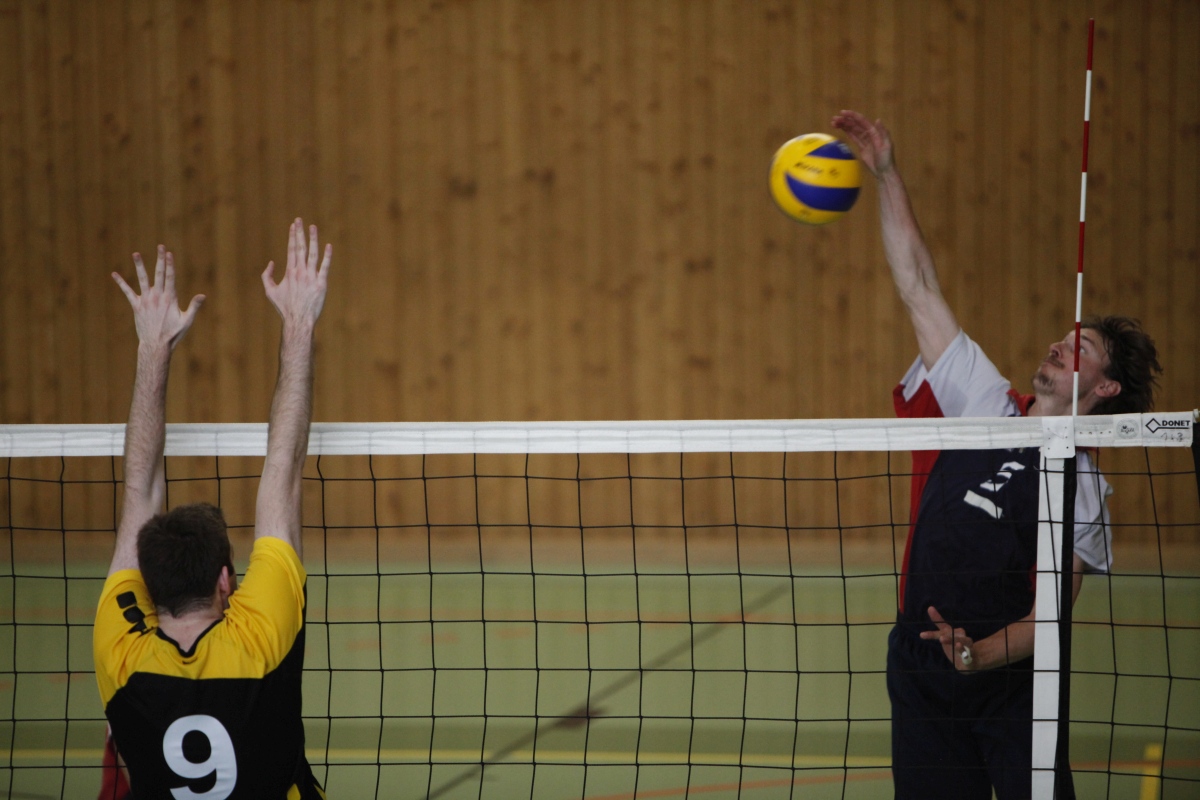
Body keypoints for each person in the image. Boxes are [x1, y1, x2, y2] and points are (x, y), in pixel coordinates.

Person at [831, 110, 1162, 799]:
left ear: (1104, 388)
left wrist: (977, 656)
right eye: (1064, 336)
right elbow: (918, 285)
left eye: (1081, 348)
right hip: (921, 667)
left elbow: (1051, 618)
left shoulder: (1082, 486)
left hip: (1010, 686)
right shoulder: (983, 398)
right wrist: (887, 173)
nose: (1059, 344)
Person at [93, 219, 332, 798]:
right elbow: (283, 467)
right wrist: (299, 323)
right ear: (226, 580)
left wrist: (152, 348)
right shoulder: (258, 640)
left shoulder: (122, 653)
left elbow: (139, 490)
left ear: (147, 583)